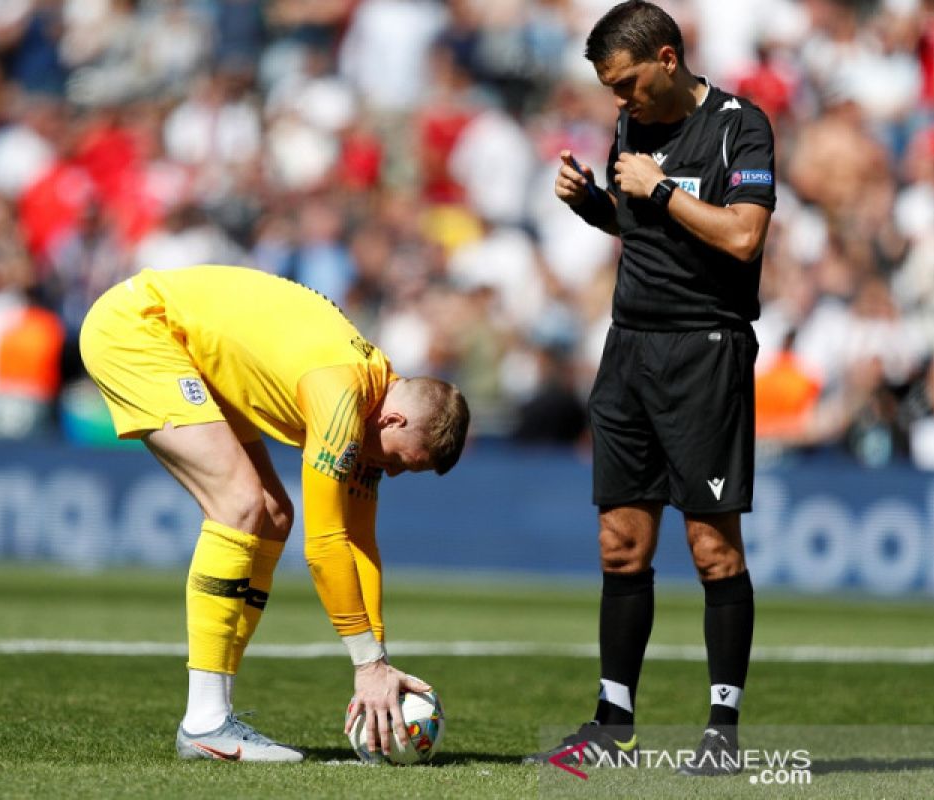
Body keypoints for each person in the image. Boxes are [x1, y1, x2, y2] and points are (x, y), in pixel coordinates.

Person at [522, 1, 776, 777]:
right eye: (609, 89)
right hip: (628, 351)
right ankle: (612, 723)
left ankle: (722, 733)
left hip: (705, 351)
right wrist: (597, 204)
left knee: (711, 547)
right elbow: (647, 233)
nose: (618, 102)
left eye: (627, 83)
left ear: (667, 58)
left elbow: (741, 234)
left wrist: (659, 189)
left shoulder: (741, 124)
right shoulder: (634, 126)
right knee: (620, 545)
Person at [79, 264, 470, 762]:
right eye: (397, 461)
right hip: (139, 328)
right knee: (239, 503)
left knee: (272, 513)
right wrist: (366, 664)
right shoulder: (342, 399)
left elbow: (360, 544)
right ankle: (206, 722)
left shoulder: (374, 405)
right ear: (394, 419)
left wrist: (378, 659)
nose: (389, 473)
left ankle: (214, 713)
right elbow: (326, 545)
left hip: (191, 349)